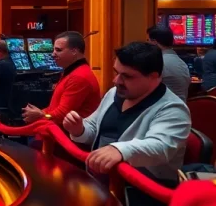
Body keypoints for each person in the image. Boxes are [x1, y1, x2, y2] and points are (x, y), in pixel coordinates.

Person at [63, 42, 190, 180]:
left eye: (127, 76)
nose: (116, 81)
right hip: (100, 181)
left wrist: (120, 150)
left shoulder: (173, 108)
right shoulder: (114, 93)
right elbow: (94, 129)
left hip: (141, 193)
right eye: (116, 72)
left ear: (153, 76)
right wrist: (79, 129)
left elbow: (160, 147)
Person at [22, 31, 101, 126]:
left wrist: (41, 115)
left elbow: (63, 114)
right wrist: (38, 113)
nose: (53, 54)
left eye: (58, 50)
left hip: (68, 137)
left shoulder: (78, 76)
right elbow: (54, 109)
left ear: (74, 51)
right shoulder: (73, 72)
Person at [146, 25, 190, 101]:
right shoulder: (181, 63)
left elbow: (144, 90)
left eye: (148, 40)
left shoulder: (158, 62)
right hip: (180, 108)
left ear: (154, 42)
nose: (147, 43)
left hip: (163, 109)